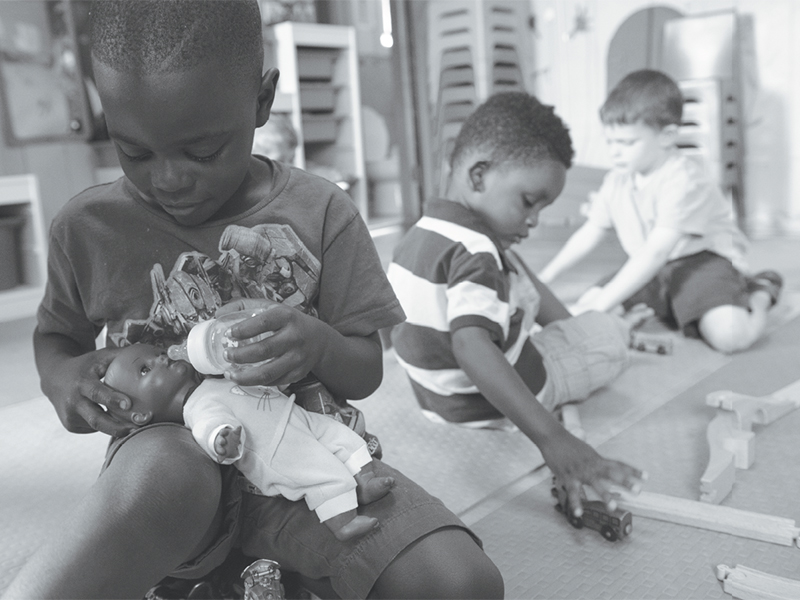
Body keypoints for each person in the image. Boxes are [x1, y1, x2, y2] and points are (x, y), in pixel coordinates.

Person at [2, 2, 503, 599]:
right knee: (165, 473)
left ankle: (274, 569)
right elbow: (55, 337)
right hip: (174, 475)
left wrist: (314, 343)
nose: (168, 179)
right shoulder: (86, 227)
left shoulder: (321, 212)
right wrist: (63, 381)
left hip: (314, 471)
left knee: (461, 582)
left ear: (263, 101)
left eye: (203, 151)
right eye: (133, 151)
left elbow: (366, 368)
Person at [387, 91, 647, 521]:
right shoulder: (477, 254)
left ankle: (572, 332)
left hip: (438, 401)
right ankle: (588, 335)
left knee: (509, 257)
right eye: (529, 202)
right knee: (611, 334)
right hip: (504, 396)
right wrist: (552, 438)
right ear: (478, 175)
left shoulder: (419, 236)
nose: (534, 220)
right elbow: (472, 347)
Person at [539, 69, 783, 353]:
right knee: (587, 307)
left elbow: (656, 253)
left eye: (627, 143)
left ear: (667, 136)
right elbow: (590, 232)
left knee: (730, 338)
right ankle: (664, 306)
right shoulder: (617, 178)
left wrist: (601, 304)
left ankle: (760, 291)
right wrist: (545, 278)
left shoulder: (684, 180)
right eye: (611, 142)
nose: (615, 152)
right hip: (652, 268)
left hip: (701, 263)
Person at [103, 342, 396, 542]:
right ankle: (342, 521)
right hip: (277, 449)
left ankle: (364, 481)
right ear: (141, 414)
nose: (161, 359)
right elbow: (210, 427)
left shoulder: (211, 382)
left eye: (157, 353)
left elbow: (255, 384)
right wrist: (222, 440)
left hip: (293, 416)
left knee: (345, 438)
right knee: (323, 473)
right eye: (145, 369)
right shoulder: (196, 408)